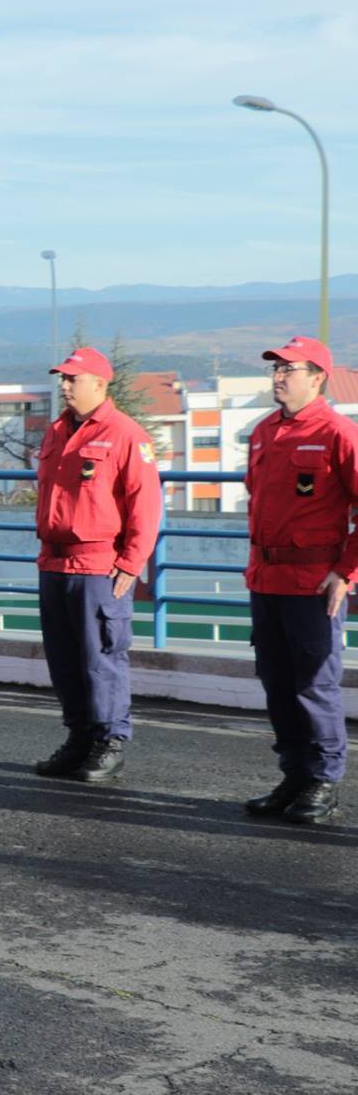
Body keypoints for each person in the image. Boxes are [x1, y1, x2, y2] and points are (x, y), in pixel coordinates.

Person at [31, 346, 160, 786]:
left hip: (99, 565)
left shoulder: (126, 434)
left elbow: (146, 505)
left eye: (73, 379)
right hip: (55, 561)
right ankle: (80, 737)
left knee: (100, 660)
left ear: (100, 385)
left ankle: (109, 739)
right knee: (65, 660)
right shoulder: (56, 432)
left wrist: (131, 561)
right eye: (62, 379)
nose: (64, 387)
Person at [242, 336, 356, 825]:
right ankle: (294, 773)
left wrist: (345, 573)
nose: (279, 377)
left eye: (290, 369)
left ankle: (323, 779)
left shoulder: (338, 433)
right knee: (277, 683)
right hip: (266, 577)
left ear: (317, 377)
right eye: (276, 370)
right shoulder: (265, 432)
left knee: (314, 683)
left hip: (314, 582)